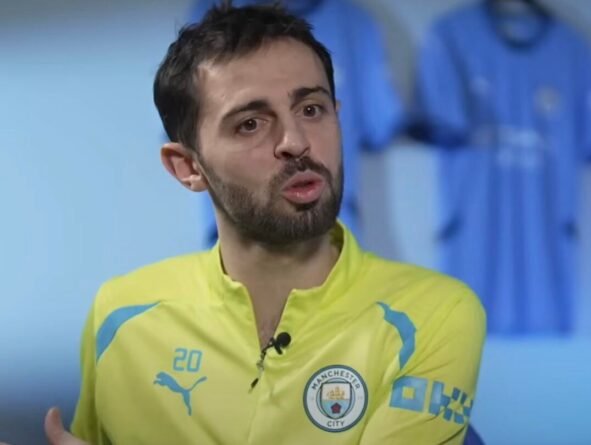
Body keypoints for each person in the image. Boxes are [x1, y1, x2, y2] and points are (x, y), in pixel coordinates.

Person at [32, 3, 486, 444]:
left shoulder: (434, 313)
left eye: (311, 110)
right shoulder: (121, 313)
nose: (296, 142)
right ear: (187, 167)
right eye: (250, 124)